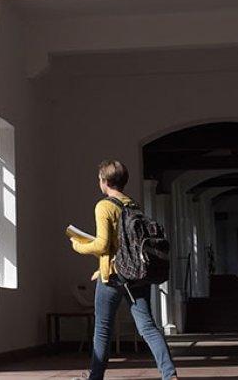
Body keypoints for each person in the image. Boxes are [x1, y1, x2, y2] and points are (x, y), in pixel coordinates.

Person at [70, 159, 177, 380]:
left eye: (99, 179)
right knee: (148, 327)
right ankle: (170, 375)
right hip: (136, 274)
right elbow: (126, 246)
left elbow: (102, 245)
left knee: (102, 330)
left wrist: (78, 246)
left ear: (104, 181)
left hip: (114, 276)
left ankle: (95, 377)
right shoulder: (133, 205)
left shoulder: (104, 205)